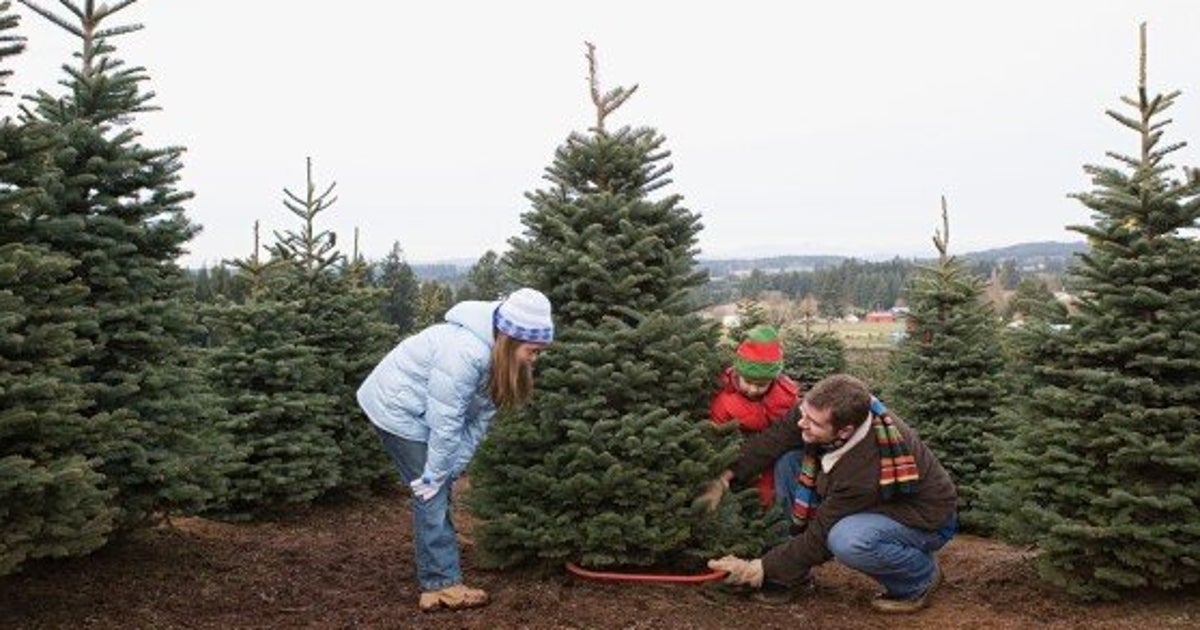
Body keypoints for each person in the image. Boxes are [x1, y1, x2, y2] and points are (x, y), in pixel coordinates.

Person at [357, 288, 554, 612]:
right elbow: (445, 423)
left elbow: (477, 423)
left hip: (425, 412)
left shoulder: (498, 359)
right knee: (429, 491)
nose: (534, 359)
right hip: (396, 408)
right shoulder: (466, 353)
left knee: (438, 484)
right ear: (510, 340)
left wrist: (451, 469)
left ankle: (438, 544)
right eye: (532, 351)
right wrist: (436, 474)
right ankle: (440, 584)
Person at [701, 374, 957, 613]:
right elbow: (773, 440)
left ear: (845, 431)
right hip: (872, 497)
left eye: (813, 423)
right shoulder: (820, 410)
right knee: (789, 461)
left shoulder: (864, 467)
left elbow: (820, 536)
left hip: (924, 519)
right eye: (804, 414)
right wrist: (724, 476)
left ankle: (919, 578)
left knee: (847, 539)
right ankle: (791, 573)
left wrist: (759, 568)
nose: (802, 423)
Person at [709, 325, 800, 507]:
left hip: (776, 456)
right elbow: (716, 437)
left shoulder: (786, 395)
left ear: (773, 379)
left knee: (776, 494)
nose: (752, 389)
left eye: (761, 385)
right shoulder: (725, 400)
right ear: (738, 373)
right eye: (748, 382)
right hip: (742, 458)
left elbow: (790, 431)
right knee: (759, 498)